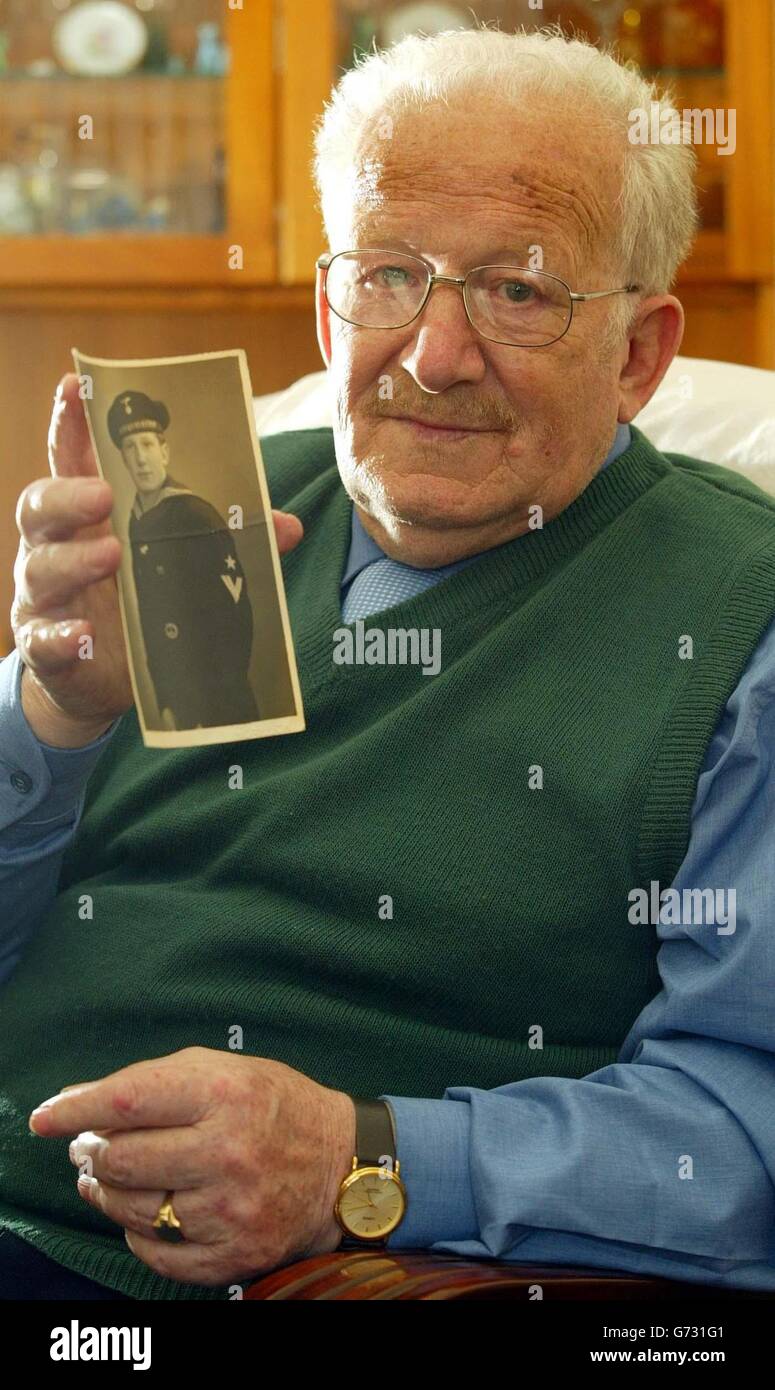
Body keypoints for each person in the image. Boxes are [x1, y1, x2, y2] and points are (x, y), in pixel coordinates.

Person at [2, 24, 775, 1300]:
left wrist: (357, 1162)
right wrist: (55, 717)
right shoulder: (204, 513)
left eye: (518, 292)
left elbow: (743, 1133)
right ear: (325, 303)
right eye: (388, 275)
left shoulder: (739, 618)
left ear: (637, 355)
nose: (433, 355)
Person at [107, 390, 258, 730]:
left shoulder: (195, 514)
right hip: (177, 704)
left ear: (164, 451)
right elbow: (153, 619)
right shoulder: (133, 520)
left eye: (147, 445)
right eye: (130, 448)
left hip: (221, 702)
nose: (140, 458)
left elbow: (235, 617)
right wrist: (167, 700)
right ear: (122, 458)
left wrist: (214, 701)